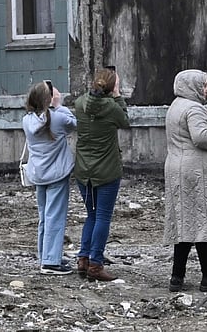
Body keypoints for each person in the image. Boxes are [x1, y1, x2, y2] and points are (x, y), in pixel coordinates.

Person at [163, 69, 207, 292]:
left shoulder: (176, 106)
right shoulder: (194, 108)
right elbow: (200, 137)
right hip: (195, 172)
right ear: (193, 86)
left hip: (176, 168)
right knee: (203, 221)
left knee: (184, 221)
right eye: (204, 85)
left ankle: (177, 277)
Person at [73, 68, 130, 282]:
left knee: (91, 215)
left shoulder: (79, 104)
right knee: (103, 216)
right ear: (112, 86)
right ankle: (96, 264)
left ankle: (83, 258)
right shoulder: (112, 108)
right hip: (106, 170)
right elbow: (125, 121)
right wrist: (118, 95)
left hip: (83, 170)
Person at [23, 81, 78, 275]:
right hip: (57, 174)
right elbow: (74, 123)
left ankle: (46, 255)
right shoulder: (58, 119)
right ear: (48, 99)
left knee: (44, 218)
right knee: (55, 216)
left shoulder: (27, 120)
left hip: (39, 174)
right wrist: (59, 104)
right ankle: (51, 262)